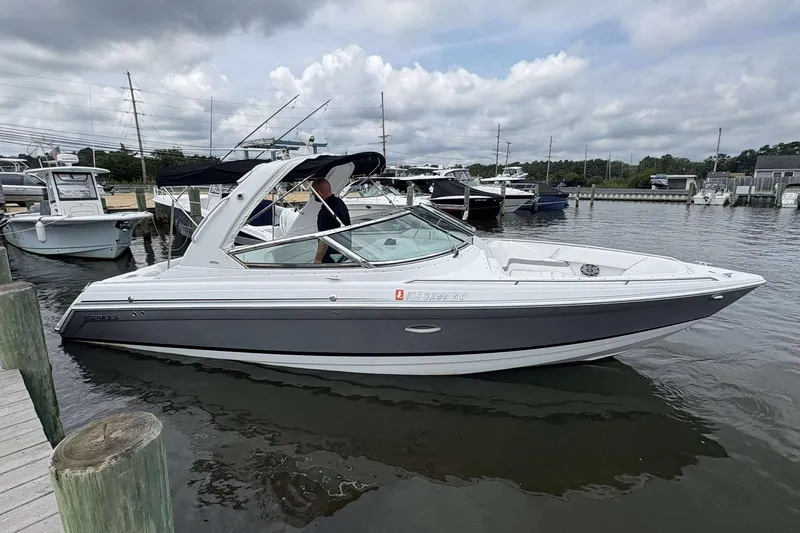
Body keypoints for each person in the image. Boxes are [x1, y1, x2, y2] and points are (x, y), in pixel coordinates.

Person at [312, 177, 351, 263]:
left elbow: (324, 238)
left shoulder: (326, 211)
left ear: (319, 192)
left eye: (313, 192)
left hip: (331, 257)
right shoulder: (339, 203)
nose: (313, 195)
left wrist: (318, 260)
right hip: (344, 252)